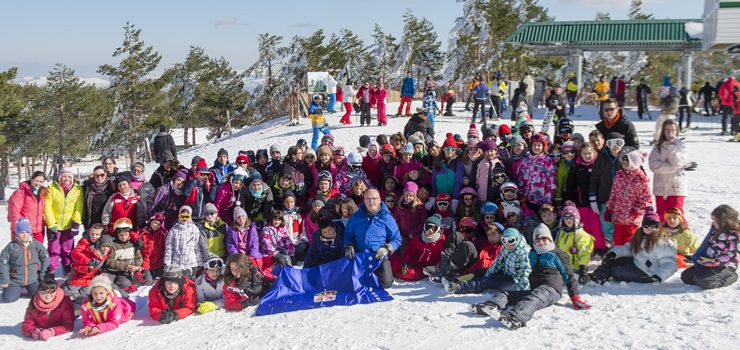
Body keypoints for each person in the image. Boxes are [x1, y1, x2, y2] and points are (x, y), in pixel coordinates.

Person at [474, 224, 590, 330]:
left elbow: (568, 276)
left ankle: (516, 317)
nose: (541, 242)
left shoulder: (557, 254)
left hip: (551, 289)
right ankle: (491, 306)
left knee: (532, 299)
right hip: (535, 288)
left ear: (550, 238)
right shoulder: (532, 254)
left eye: (544, 238)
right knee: (506, 293)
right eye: (537, 239)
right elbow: (523, 271)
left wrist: (575, 296)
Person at [590, 210, 677, 284]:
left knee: (615, 269)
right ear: (642, 226)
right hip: (638, 264)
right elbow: (630, 248)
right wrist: (614, 253)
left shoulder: (663, 241)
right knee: (614, 259)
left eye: (653, 225)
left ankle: (600, 276)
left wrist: (659, 276)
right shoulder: (640, 236)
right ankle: (599, 275)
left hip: (649, 274)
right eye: (646, 225)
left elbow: (669, 263)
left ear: (658, 226)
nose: (649, 228)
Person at [343, 189, 402, 288]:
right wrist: (348, 245)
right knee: (351, 284)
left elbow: (397, 239)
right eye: (368, 199)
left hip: (379, 256)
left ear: (379, 200)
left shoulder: (387, 218)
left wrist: (387, 249)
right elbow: (348, 234)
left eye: (374, 199)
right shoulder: (355, 217)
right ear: (364, 200)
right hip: (359, 255)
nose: (371, 202)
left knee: (386, 283)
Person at [681, 204, 739, 289]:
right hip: (710, 263)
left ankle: (732, 276)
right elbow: (706, 244)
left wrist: (716, 262)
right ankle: (705, 276)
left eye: (715, 220)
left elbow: (732, 256)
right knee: (686, 277)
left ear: (724, 221)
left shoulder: (735, 236)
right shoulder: (716, 229)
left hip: (725, 265)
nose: (713, 222)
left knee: (705, 282)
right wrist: (698, 258)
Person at [648, 119, 696, 219]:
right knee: (661, 216)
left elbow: (678, 163)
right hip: (660, 187)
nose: (670, 133)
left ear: (677, 131)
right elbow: (653, 165)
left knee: (676, 216)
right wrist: (672, 167)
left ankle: (683, 235)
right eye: (667, 130)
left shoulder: (681, 147)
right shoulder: (657, 147)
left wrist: (671, 148)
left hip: (676, 187)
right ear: (663, 131)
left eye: (673, 130)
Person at [605, 151, 653, 246]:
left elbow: (646, 199)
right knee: (617, 238)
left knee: (630, 239)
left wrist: (637, 210)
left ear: (634, 163)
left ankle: (629, 257)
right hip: (618, 215)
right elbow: (613, 193)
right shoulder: (619, 175)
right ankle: (618, 256)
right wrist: (609, 208)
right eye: (623, 162)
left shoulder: (641, 179)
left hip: (632, 218)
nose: (624, 165)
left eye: (627, 163)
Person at [564, 143, 605, 253]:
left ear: (594, 153)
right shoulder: (576, 167)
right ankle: (585, 247)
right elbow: (570, 185)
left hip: (597, 201)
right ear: (580, 154)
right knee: (584, 226)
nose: (587, 156)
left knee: (596, 225)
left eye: (589, 153)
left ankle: (599, 247)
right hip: (581, 201)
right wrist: (568, 200)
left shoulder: (599, 164)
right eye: (584, 154)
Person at [44, 166, 84, 275]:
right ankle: (52, 269)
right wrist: (51, 224)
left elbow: (79, 208)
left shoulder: (77, 190)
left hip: (69, 225)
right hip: (54, 225)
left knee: (67, 249)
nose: (66, 179)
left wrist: (75, 223)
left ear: (72, 178)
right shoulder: (52, 188)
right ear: (60, 177)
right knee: (54, 249)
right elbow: (47, 207)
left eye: (69, 176)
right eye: (64, 176)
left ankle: (67, 267)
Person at [589, 132, 626, 246]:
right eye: (612, 143)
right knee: (606, 224)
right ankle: (613, 244)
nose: (615, 147)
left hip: (622, 199)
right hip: (605, 198)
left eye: (618, 143)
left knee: (621, 224)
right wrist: (593, 197)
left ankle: (620, 245)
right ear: (607, 144)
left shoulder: (626, 157)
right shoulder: (602, 158)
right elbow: (594, 177)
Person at [0, 218, 50, 303]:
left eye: (27, 232)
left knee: (40, 297)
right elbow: (3, 263)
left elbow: (45, 258)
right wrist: (5, 280)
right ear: (17, 234)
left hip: (33, 279)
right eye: (22, 232)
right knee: (8, 299)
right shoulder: (11, 247)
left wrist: (42, 275)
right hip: (15, 280)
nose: (25, 235)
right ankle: (14, 290)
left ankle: (30, 289)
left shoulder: (36, 245)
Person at [64, 224, 111, 304]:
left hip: (91, 276)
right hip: (79, 272)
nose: (94, 236)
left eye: (97, 234)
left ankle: (78, 304)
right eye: (92, 234)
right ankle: (64, 298)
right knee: (69, 290)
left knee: (86, 293)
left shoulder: (103, 245)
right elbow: (75, 253)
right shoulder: (84, 242)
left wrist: (102, 270)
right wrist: (87, 261)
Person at [391, 214, 446, 281]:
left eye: (433, 229)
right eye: (428, 227)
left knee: (410, 274)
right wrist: (405, 262)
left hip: (424, 269)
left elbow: (443, 258)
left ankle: (395, 273)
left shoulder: (440, 242)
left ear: (438, 230)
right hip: (413, 263)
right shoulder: (419, 239)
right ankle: (388, 270)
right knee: (393, 261)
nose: (430, 231)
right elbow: (408, 251)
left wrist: (435, 268)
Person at [21, 275, 75, 341]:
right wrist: (32, 332)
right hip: (41, 331)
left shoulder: (65, 301)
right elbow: (27, 324)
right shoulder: (34, 303)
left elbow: (68, 325)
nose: (48, 296)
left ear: (56, 291)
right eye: (43, 292)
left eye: (51, 292)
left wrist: (52, 331)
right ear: (38, 292)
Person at [163, 206, 211, 278]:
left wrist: (200, 263)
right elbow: (169, 248)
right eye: (182, 216)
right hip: (177, 263)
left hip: (192, 263)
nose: (184, 219)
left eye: (187, 216)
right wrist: (167, 262)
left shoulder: (194, 229)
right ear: (179, 216)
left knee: (190, 285)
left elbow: (197, 248)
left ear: (190, 216)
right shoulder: (174, 230)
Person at [554, 202, 595, 283]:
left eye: (571, 217)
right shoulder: (561, 232)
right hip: (561, 266)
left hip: (574, 268)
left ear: (576, 219)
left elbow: (584, 253)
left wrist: (583, 269)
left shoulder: (581, 234)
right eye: (565, 218)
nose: (568, 220)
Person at [104, 218, 143, 294]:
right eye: (121, 235)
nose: (124, 237)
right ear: (117, 235)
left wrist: (136, 266)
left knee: (125, 284)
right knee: (105, 282)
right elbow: (109, 261)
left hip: (124, 272)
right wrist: (127, 266)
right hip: (111, 271)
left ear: (129, 234)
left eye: (126, 234)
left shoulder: (134, 245)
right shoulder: (113, 245)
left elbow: (139, 257)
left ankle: (120, 292)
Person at [8, 171, 47, 243]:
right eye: (36, 181)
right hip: (24, 231)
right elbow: (14, 212)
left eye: (41, 181)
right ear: (31, 179)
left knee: (36, 252)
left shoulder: (43, 193)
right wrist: (18, 228)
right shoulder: (21, 193)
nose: (38, 183)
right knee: (23, 253)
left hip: (38, 230)